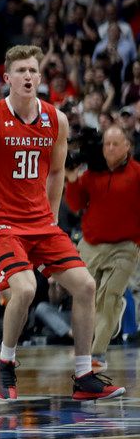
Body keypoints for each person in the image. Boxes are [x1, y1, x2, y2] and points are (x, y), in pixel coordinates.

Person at [0, 44, 124, 401]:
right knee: (27, 289)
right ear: (7, 79)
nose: (28, 76)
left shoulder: (55, 120)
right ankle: (5, 363)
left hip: (41, 223)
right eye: (21, 71)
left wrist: (52, 216)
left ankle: (83, 376)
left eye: (33, 71)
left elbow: (58, 171)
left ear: (40, 77)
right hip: (2, 224)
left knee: (86, 286)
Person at [64, 125, 140, 371]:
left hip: (126, 247)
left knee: (109, 298)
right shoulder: (91, 174)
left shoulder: (137, 174)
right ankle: (84, 351)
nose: (110, 148)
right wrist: (72, 179)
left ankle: (97, 354)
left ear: (127, 146)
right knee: (85, 297)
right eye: (106, 144)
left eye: (115, 144)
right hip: (91, 245)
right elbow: (75, 205)